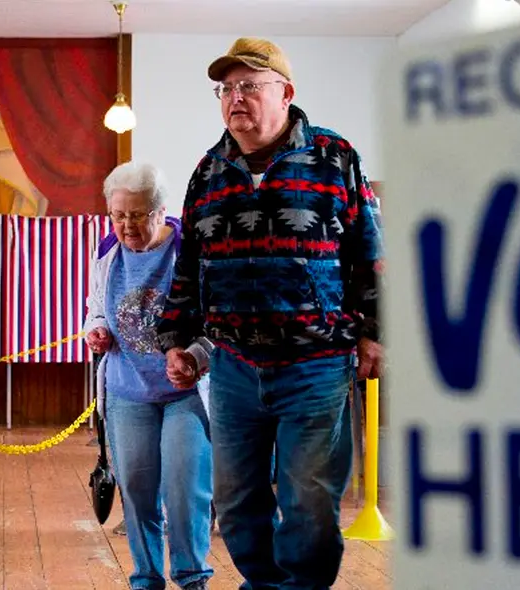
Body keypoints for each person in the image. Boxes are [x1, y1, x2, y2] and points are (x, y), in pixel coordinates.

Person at [156, 38, 384, 590]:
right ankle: (266, 584)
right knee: (235, 501)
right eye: (226, 88)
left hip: (316, 364)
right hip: (233, 365)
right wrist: (176, 338)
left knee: (310, 501)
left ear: (286, 93)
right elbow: (189, 264)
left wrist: (377, 332)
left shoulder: (334, 157)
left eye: (249, 86)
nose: (235, 97)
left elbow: (368, 252)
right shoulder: (208, 171)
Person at [85, 162, 214, 590]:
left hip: (186, 393)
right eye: (118, 215)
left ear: (160, 211)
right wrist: (96, 329)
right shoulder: (107, 252)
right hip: (127, 392)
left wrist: (196, 355)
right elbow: (96, 306)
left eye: (137, 215)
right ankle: (146, 580)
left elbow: (220, 321)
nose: (126, 226)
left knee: (184, 491)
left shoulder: (190, 250)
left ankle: (192, 579)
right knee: (138, 494)